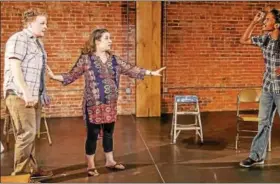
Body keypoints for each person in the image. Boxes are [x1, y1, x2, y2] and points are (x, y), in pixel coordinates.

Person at [47, 28, 166, 176]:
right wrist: (54, 77)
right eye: (107, 38)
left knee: (109, 132)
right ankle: (90, 164)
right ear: (97, 41)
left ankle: (110, 160)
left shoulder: (114, 59)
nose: (110, 41)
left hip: (110, 103)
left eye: (110, 38)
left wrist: (151, 73)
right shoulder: (86, 59)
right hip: (94, 104)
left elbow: (131, 69)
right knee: (93, 134)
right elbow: (72, 75)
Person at [238, 8, 280, 174]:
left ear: (276, 24)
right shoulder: (265, 39)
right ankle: (256, 155)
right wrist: (254, 22)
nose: (264, 22)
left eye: (267, 20)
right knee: (263, 123)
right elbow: (243, 40)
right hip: (267, 88)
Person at [3, 8, 53, 180]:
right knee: (26, 134)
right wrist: (25, 92)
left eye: (46, 23)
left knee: (32, 134)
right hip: (19, 95)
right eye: (42, 23)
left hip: (34, 95)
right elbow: (15, 67)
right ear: (30, 23)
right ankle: (20, 175)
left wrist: (41, 92)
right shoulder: (19, 39)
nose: (46, 27)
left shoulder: (37, 43)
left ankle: (32, 169)